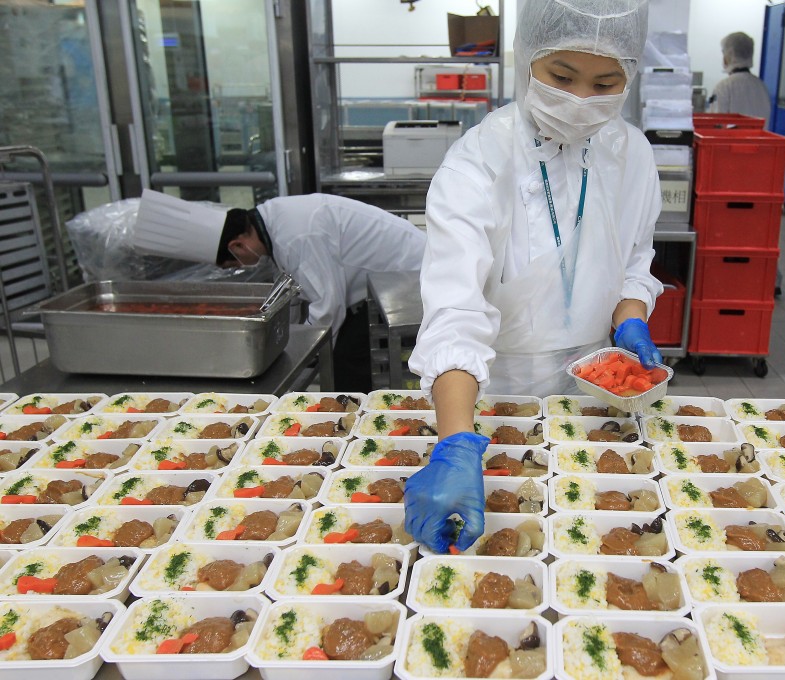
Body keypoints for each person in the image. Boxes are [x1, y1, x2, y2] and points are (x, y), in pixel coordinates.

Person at [403, 0, 664, 554]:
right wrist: (456, 444)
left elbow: (634, 259)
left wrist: (631, 315)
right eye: (562, 77)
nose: (581, 99)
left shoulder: (633, 154)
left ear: (630, 76)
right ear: (527, 59)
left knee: (592, 542)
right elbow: (455, 309)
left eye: (605, 83)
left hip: (595, 394)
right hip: (489, 393)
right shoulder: (479, 161)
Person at [133, 190, 426, 391]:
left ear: (238, 245)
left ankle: (356, 422)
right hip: (382, 284)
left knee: (347, 358)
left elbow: (328, 307)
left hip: (409, 282)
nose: (239, 266)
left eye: (232, 262)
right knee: (345, 351)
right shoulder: (274, 219)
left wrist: (303, 353)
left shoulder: (296, 236)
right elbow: (301, 290)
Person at [709, 31, 771, 126]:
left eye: (724, 53)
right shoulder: (761, 87)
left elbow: (716, 124)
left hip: (732, 136)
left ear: (729, 55)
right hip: (759, 136)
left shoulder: (723, 87)